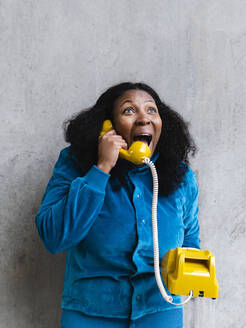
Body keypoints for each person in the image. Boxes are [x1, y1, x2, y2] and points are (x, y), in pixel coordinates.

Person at [35, 82, 200, 328]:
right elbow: (53, 237)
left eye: (151, 110)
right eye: (129, 110)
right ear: (108, 126)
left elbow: (189, 235)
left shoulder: (179, 174)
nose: (144, 118)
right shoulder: (74, 163)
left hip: (160, 311)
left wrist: (193, 277)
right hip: (91, 314)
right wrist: (101, 168)